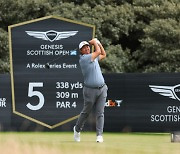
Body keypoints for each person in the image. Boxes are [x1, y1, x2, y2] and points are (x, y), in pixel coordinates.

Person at [73, 38, 108, 143]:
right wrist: (95, 42)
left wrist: (99, 43)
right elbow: (97, 52)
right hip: (90, 90)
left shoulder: (93, 57)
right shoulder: (84, 59)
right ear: (81, 51)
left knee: (100, 113)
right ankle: (77, 129)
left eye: (88, 46)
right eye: (84, 48)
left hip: (102, 88)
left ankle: (99, 135)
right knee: (86, 112)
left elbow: (103, 54)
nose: (87, 48)